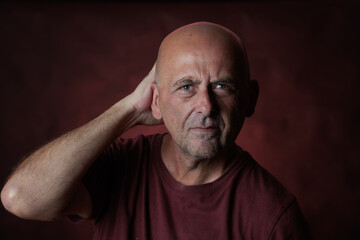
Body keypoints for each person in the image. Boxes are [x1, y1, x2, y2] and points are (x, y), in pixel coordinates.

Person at [1, 21, 312, 239]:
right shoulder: (120, 166)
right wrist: (131, 108)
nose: (206, 106)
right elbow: (21, 198)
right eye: (186, 87)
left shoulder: (273, 215)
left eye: (221, 85)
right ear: (157, 100)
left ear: (249, 99)